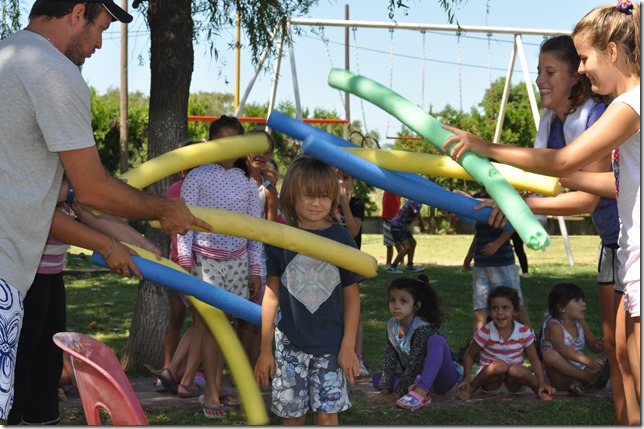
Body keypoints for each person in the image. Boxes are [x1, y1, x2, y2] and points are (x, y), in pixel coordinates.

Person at [0, 1, 209, 423]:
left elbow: (48, 193)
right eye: (101, 27)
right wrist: (162, 210)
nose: (99, 43)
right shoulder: (53, 73)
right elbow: (93, 189)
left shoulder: (8, 57)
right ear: (78, 12)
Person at [444, 4, 639, 423]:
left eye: (579, 61)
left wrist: (490, 153)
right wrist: (512, 199)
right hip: (621, 244)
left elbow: (569, 170)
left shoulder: (616, 111)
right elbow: (568, 176)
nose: (540, 80)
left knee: (632, 360)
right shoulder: (568, 118)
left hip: (630, 242)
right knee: (620, 353)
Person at [8, 182, 162, 425]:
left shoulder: (68, 184)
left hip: (50, 277)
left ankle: (41, 419)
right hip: (20, 280)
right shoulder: (36, 179)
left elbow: (93, 214)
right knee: (16, 369)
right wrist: (109, 247)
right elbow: (48, 217)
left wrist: (144, 246)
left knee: (47, 369)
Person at [254, 155, 363, 425]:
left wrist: (348, 346)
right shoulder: (279, 238)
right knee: (292, 418)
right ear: (291, 194)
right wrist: (265, 349)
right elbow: (271, 295)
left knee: (327, 418)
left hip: (331, 346)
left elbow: (351, 297)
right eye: (309, 195)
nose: (317, 203)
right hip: (289, 345)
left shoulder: (341, 238)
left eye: (325, 196)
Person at [173, 115, 261, 418]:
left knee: (228, 328)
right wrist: (185, 261)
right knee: (212, 327)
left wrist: (255, 270)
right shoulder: (196, 178)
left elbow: (256, 232)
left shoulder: (248, 184)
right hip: (204, 260)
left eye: (234, 142)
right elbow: (183, 224)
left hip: (238, 262)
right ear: (210, 145)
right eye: (220, 142)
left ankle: (217, 385)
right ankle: (210, 391)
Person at [369, 274, 462, 410]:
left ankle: (421, 391)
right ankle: (415, 388)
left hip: (442, 380)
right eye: (392, 300)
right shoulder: (391, 326)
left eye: (403, 301)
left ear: (416, 306)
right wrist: (384, 391)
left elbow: (414, 364)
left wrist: (395, 395)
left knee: (437, 340)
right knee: (378, 378)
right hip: (415, 377)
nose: (396, 306)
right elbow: (390, 358)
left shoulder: (422, 328)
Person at [157, 139, 207, 393]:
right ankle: (179, 374)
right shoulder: (194, 189)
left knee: (178, 318)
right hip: (193, 263)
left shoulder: (174, 189)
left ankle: (170, 370)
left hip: (176, 261)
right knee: (202, 321)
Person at [456, 286, 556, 401]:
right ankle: (471, 389)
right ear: (489, 311)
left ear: (515, 311)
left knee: (515, 369)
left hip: (514, 383)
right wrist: (467, 378)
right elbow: (469, 355)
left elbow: (534, 359)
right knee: (500, 366)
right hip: (491, 382)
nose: (500, 313)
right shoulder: (486, 331)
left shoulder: (524, 331)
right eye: (495, 308)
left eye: (505, 308)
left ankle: (540, 388)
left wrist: (542, 381)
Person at [238, 128, 279, 370]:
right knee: (241, 315)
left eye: (267, 151)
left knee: (256, 315)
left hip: (257, 258)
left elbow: (271, 228)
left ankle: (255, 367)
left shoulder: (267, 189)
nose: (260, 155)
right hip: (231, 254)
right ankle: (241, 368)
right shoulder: (233, 179)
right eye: (256, 148)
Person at [462, 188, 531, 333]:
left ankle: (531, 340)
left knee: (515, 304)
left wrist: (497, 243)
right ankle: (477, 345)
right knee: (480, 306)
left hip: (503, 263)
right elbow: (478, 234)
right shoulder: (476, 199)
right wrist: (469, 255)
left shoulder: (499, 196)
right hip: (482, 263)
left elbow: (512, 224)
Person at [539, 282, 608, 396]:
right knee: (550, 356)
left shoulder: (580, 323)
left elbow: (592, 346)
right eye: (577, 301)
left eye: (583, 300)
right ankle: (588, 379)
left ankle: (580, 383)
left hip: (582, 369)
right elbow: (563, 349)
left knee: (611, 352)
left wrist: (599, 345)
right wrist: (589, 362)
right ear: (561, 307)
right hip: (561, 377)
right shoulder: (553, 325)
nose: (583, 304)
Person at [336, 169, 369, 377]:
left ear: (353, 182)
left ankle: (358, 357)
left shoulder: (356, 204)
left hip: (351, 263)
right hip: (330, 261)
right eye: (337, 177)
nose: (341, 182)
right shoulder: (325, 202)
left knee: (353, 309)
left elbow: (354, 231)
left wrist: (344, 204)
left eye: (346, 177)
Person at [387, 199, 425, 273]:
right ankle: (392, 267)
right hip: (398, 226)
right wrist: (422, 226)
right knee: (407, 247)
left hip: (404, 227)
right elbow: (417, 214)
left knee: (413, 243)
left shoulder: (417, 201)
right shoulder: (414, 201)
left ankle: (410, 266)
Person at [381, 191, 402, 269]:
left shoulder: (391, 189)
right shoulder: (391, 189)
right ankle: (396, 262)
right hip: (391, 217)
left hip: (391, 218)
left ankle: (389, 263)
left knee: (391, 244)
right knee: (396, 243)